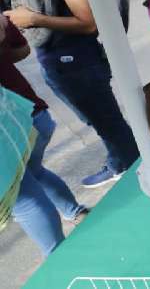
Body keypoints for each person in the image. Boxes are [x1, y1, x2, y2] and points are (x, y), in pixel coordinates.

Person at [0, 0, 139, 188]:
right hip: (60, 60)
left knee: (106, 120)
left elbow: (87, 22)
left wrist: (34, 19)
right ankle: (125, 162)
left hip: (76, 61)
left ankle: (132, 168)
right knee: (101, 119)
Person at [2, 16, 88, 256]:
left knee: (24, 198)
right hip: (32, 117)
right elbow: (21, 49)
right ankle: (75, 211)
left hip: (13, 126)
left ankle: (59, 258)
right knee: (33, 173)